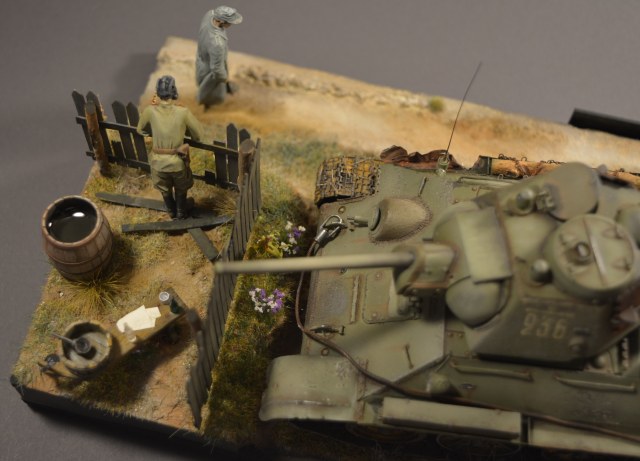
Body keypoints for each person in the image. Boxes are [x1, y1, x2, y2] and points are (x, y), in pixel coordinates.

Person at [137, 75, 203, 219]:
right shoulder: (183, 112)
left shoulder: (149, 111)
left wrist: (157, 133)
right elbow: (197, 136)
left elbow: (140, 130)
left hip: (158, 163)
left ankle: (171, 211)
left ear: (157, 92)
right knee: (181, 188)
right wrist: (181, 131)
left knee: (164, 189)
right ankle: (180, 212)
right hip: (177, 162)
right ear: (174, 91)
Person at [195, 5, 243, 108]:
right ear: (221, 21)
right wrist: (224, 79)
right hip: (211, 73)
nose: (230, 24)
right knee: (212, 94)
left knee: (203, 85)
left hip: (201, 60)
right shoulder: (217, 43)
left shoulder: (209, 15)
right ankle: (208, 107)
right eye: (229, 22)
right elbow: (217, 69)